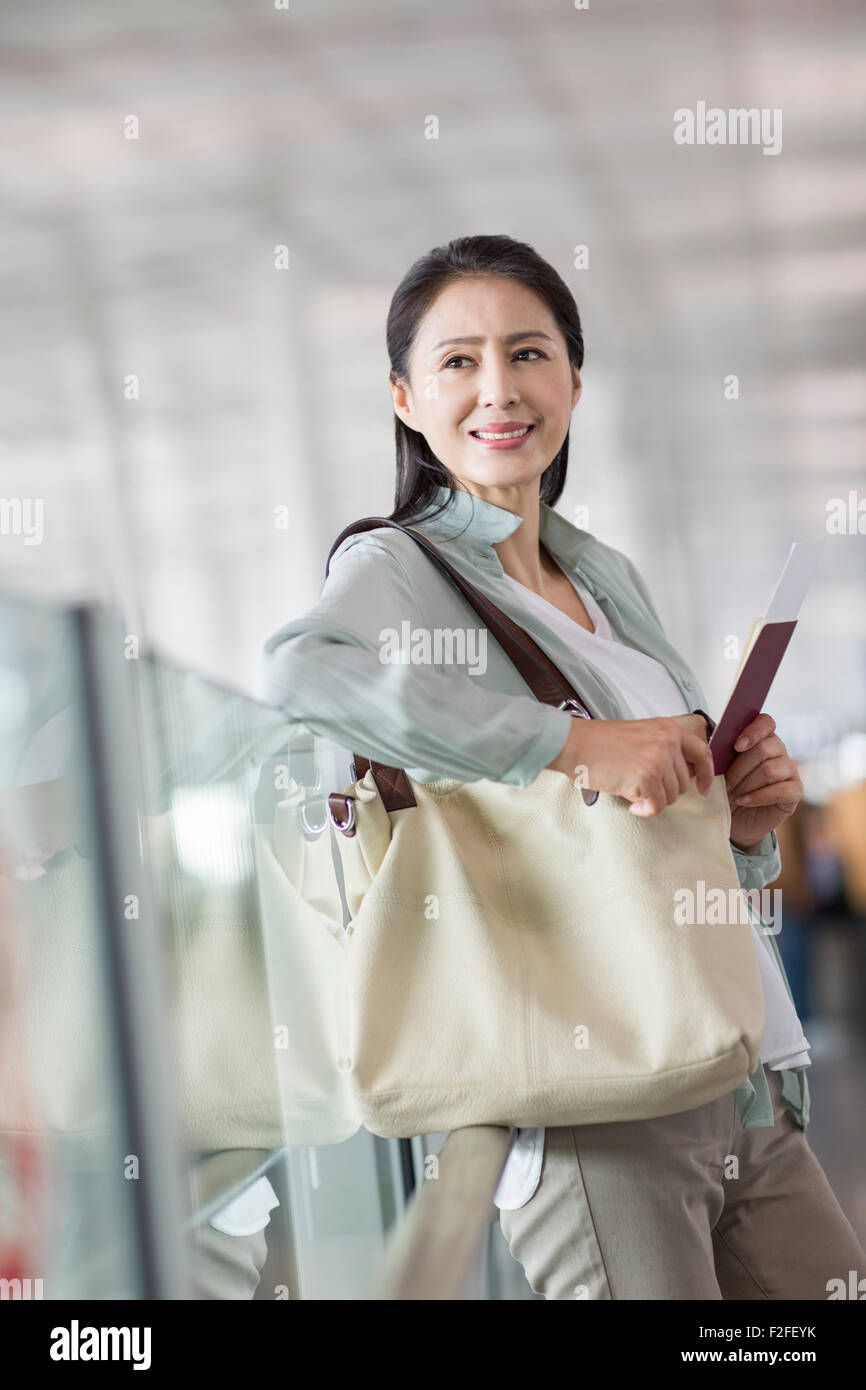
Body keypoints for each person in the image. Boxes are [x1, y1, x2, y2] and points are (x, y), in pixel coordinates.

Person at [260, 233, 865, 1299]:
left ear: (573, 380)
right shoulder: (397, 566)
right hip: (594, 1108)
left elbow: (642, 829)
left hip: (736, 1073)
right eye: (456, 362)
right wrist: (573, 742)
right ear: (403, 398)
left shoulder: (602, 577)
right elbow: (302, 673)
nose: (498, 387)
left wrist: (739, 824)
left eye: (528, 352)